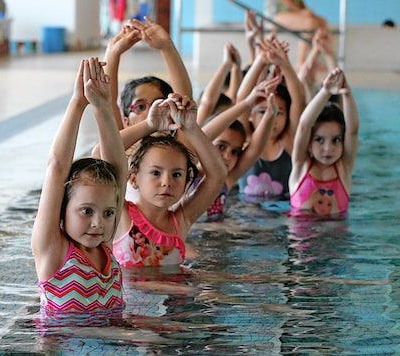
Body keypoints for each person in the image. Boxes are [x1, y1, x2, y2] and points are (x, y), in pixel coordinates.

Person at [30, 57, 127, 318]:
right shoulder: (53, 251)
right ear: (62, 209)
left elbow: (119, 169)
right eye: (86, 211)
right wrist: (77, 103)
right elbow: (57, 167)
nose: (99, 222)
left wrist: (103, 108)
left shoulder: (105, 247)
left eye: (108, 213)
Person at [112, 94, 228, 266]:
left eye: (177, 175)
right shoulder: (122, 214)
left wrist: (191, 127)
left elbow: (217, 174)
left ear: (186, 182)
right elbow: (100, 154)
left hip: (175, 293)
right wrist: (150, 125)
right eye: (156, 173)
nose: (167, 182)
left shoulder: (181, 221)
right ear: (134, 178)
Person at [196, 76, 281, 221]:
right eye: (221, 146)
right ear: (205, 143)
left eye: (235, 152)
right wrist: (247, 103)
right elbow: (206, 108)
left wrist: (270, 114)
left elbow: (255, 149)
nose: (228, 156)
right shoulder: (187, 173)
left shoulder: (225, 180)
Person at [236, 37, 306, 202]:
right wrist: (260, 61)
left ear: (288, 116)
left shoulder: (288, 142)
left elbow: (299, 101)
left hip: (280, 214)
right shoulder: (246, 141)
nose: (271, 118)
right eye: (262, 112)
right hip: (246, 213)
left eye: (278, 113)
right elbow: (242, 99)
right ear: (251, 117)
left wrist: (285, 65)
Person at [289, 67, 359, 217]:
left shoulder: (344, 168)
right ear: (308, 143)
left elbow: (352, 131)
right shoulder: (301, 165)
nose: (328, 148)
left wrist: (346, 93)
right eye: (319, 140)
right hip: (302, 239)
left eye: (336, 140)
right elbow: (304, 125)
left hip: (336, 239)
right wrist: (325, 92)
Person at [104, 16, 193, 130]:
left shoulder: (180, 141)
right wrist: (112, 52)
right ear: (127, 122)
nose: (152, 111)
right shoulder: (122, 146)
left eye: (160, 104)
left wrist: (167, 47)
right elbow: (107, 105)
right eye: (140, 107)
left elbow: (184, 99)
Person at [268, 0, 330, 70]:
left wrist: (308, 12)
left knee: (322, 22)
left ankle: (314, 58)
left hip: (294, 14)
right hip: (277, 16)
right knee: (309, 23)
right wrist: (301, 12)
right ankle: (300, 61)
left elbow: (301, 6)